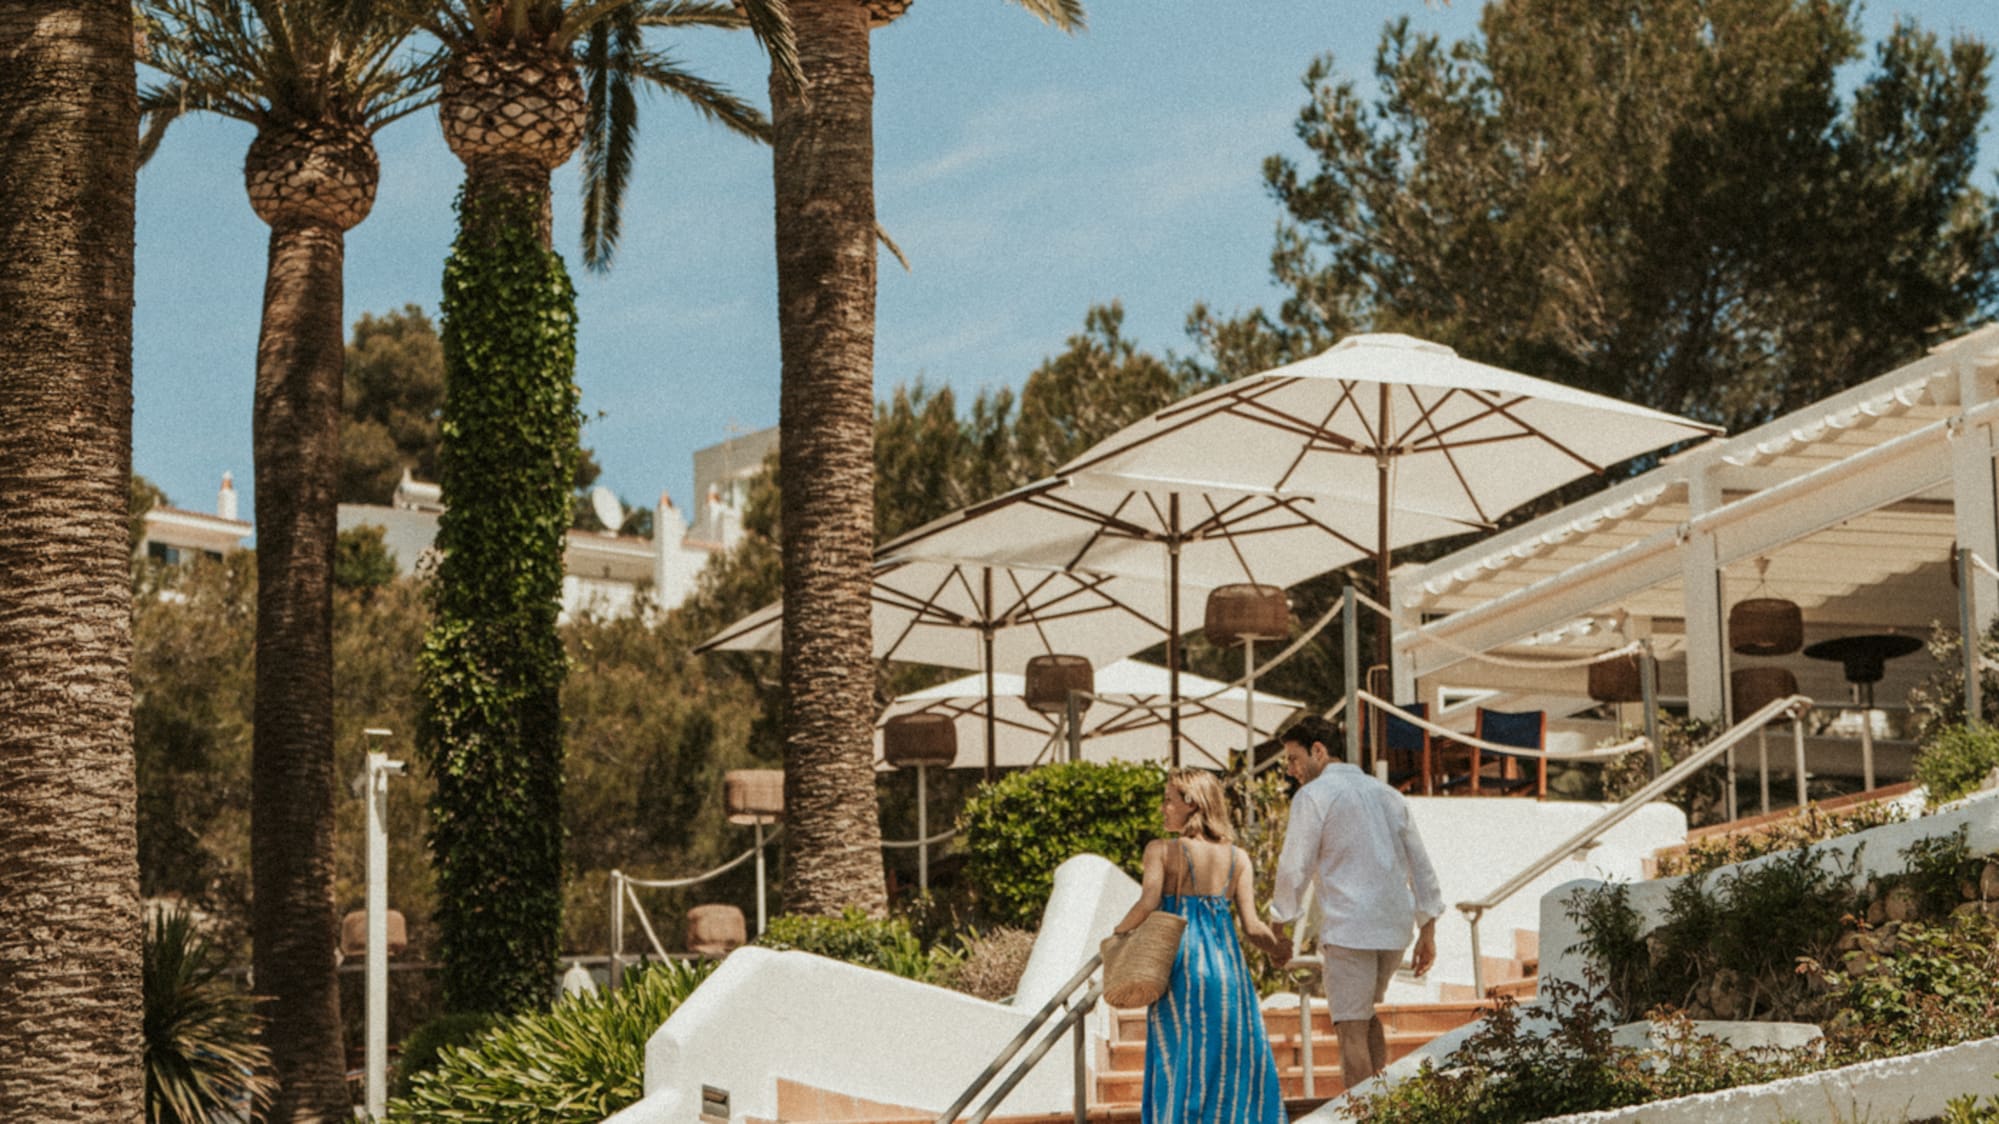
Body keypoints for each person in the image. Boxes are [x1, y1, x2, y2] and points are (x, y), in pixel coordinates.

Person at [1270, 715, 1444, 1087]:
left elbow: (1293, 868)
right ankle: (1381, 1107)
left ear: (1318, 751)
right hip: (1394, 930)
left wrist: (1278, 927)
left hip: (1350, 928)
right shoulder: (1387, 794)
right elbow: (1421, 864)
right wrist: (1428, 929)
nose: (1290, 770)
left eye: (1293, 759)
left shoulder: (1313, 796)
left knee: (1350, 1030)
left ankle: (1365, 1116)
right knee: (1364, 1016)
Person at [1109, 768, 1287, 1124]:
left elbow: (1147, 903)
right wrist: (1280, 949)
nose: (1163, 808)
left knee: (1181, 1061)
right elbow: (1252, 927)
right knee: (1230, 1062)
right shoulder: (1238, 858)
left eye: (1169, 800)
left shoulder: (1161, 851)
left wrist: (1117, 937)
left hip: (1181, 966)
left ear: (1191, 803)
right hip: (1228, 971)